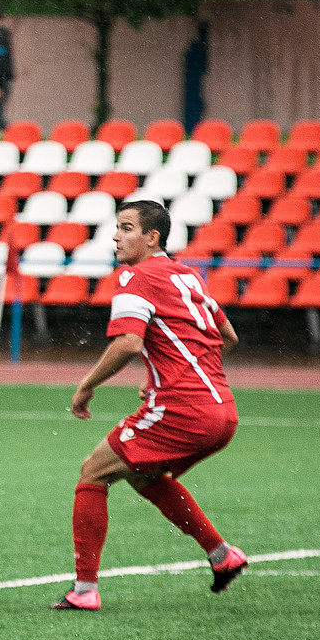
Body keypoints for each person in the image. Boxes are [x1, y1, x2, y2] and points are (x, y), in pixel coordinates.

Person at [52, 199, 247, 611]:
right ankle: (222, 555)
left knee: (93, 472)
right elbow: (227, 336)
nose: (115, 237)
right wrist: (170, 375)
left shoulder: (134, 277)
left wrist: (86, 386)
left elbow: (128, 343)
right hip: (223, 411)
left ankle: (84, 590)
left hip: (183, 408)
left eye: (126, 228)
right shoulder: (188, 276)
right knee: (141, 474)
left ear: (152, 237)